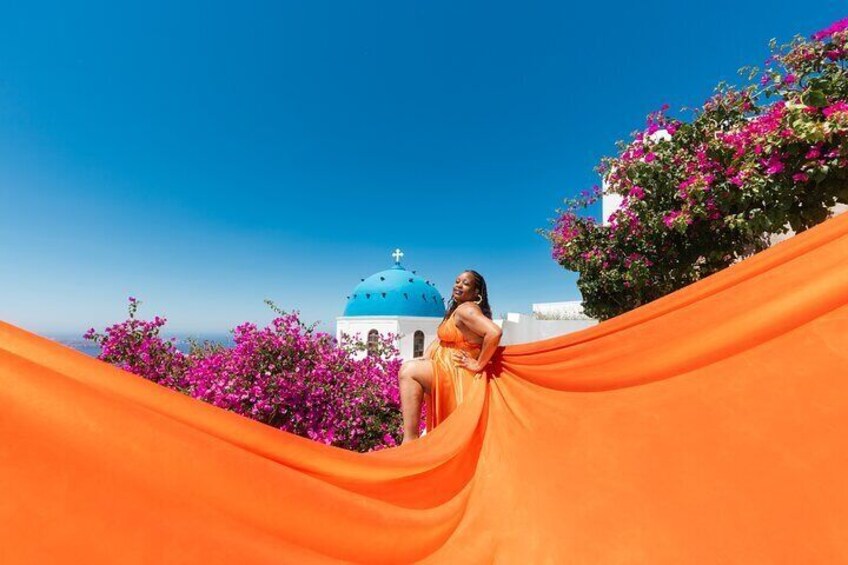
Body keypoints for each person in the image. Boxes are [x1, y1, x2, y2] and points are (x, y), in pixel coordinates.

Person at [398, 269, 503, 444]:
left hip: (455, 372)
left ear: (476, 292)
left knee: (408, 371)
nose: (459, 285)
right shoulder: (458, 310)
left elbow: (494, 333)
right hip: (445, 367)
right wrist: (426, 357)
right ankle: (410, 440)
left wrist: (478, 364)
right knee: (412, 369)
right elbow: (444, 340)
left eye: (466, 283)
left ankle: (409, 440)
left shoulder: (466, 309)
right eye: (457, 281)